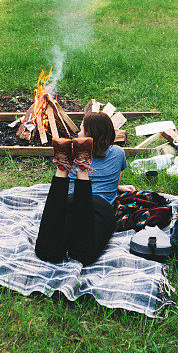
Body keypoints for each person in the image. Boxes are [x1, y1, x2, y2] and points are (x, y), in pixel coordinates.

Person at [35, 112, 135, 266]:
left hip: (69, 201)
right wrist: (118, 188)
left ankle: (62, 169)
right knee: (83, 253)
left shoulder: (73, 152)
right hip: (100, 208)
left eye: (80, 130)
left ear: (88, 136)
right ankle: (83, 170)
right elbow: (114, 183)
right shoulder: (118, 153)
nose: (78, 133)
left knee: (46, 251)